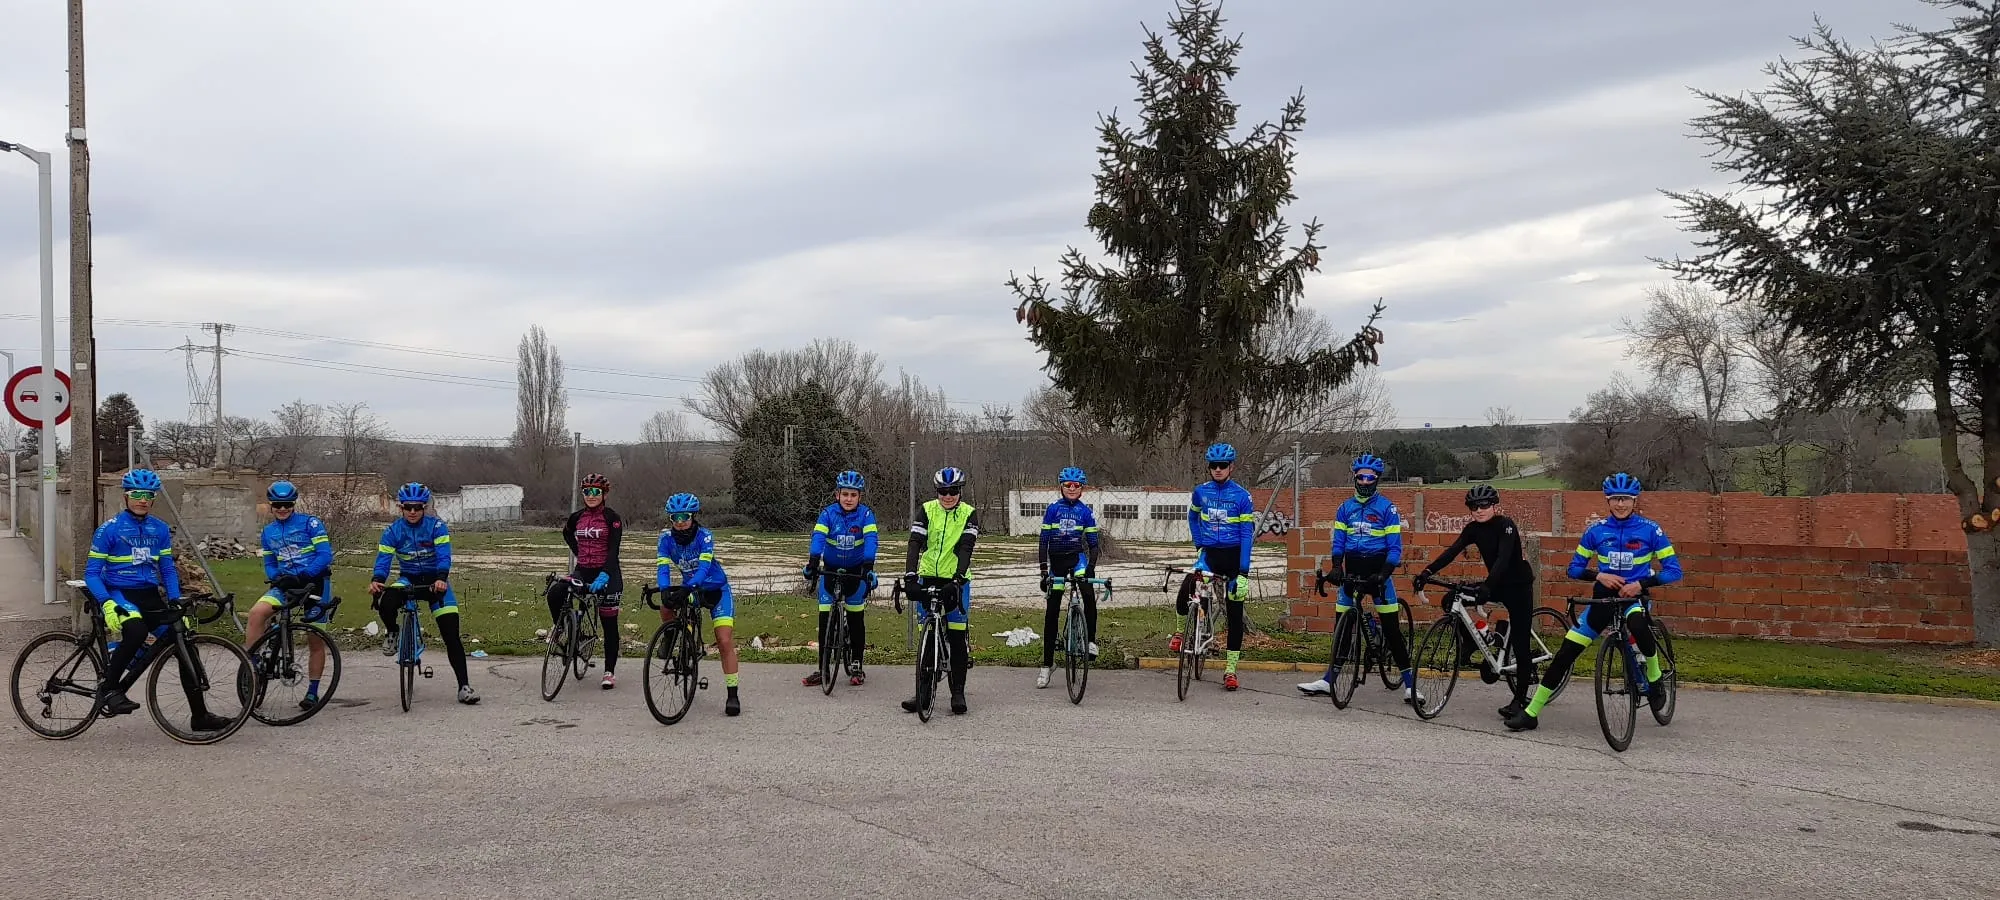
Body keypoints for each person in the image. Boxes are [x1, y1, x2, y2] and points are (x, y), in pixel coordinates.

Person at [1505, 472, 1681, 732]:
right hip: (1602, 600)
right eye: (1615, 499)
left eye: (1626, 499)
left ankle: (1654, 678)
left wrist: (1640, 584)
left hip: (1633, 598)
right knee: (1565, 654)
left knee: (1639, 625)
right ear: (1608, 501)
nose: (1620, 504)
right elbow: (1573, 569)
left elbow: (1674, 571)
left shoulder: (1650, 530)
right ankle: (1531, 713)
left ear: (1634, 501)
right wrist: (1599, 574)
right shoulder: (1596, 531)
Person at [86, 469, 233, 732]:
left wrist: (175, 600)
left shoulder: (160, 528)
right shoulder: (109, 530)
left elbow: (166, 569)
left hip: (150, 594)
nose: (143, 500)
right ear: (126, 496)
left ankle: (199, 716)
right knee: (136, 631)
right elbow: (92, 573)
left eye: (149, 495)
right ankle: (109, 690)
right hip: (119, 592)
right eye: (137, 494)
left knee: (185, 643)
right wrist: (106, 602)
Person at [1408, 483, 1538, 718]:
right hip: (1495, 584)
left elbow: (1504, 559)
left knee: (1520, 645)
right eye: (1473, 507)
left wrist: (1487, 586)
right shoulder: (1473, 529)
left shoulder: (1506, 526)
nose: (1479, 510)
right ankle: (1470, 642)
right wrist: (1427, 572)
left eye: (1484, 505)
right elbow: (1452, 551)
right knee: (1451, 599)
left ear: (1494, 506)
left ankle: (1519, 701)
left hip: (1518, 586)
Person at [1300, 453, 1420, 702]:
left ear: (1377, 480)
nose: (1365, 482)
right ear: (1354, 478)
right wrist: (1335, 567)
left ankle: (1410, 685)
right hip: (1352, 571)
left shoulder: (1388, 508)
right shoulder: (1345, 508)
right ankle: (1328, 680)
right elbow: (1339, 542)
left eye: (1370, 478)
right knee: (1341, 628)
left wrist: (1384, 574)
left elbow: (1395, 547)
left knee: (1393, 631)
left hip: (1379, 572)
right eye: (1360, 477)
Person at [369, 482, 479, 705]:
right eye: (408, 507)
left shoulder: (437, 526)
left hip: (435, 581)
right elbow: (383, 560)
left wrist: (441, 578)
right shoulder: (392, 531)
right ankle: (393, 631)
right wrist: (377, 581)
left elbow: (444, 555)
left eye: (418, 507)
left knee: (451, 634)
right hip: (407, 579)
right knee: (386, 601)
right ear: (401, 507)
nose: (412, 512)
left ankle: (464, 687)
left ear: (424, 507)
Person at [1171, 442, 1256, 691]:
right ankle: (1179, 633)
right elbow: (1192, 517)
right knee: (1186, 588)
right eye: (1213, 465)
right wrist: (1199, 545)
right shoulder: (1201, 492)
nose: (1217, 469)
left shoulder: (1242, 496)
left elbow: (1246, 535)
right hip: (1208, 554)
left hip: (1233, 557)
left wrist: (1243, 573)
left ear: (1231, 467)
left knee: (1234, 612)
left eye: (1222, 465)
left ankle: (1230, 670)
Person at [249, 480, 336, 709]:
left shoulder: (310, 523)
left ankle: (312, 692)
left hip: (315, 584)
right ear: (271, 505)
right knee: (257, 613)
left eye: (287, 504)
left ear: (294, 503)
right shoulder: (269, 532)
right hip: (286, 584)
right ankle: (251, 666)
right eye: (278, 505)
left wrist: (306, 574)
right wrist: (276, 575)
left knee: (315, 639)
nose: (282, 509)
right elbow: (269, 561)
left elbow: (325, 555)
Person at [901, 466, 979, 715]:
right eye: (943, 491)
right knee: (928, 634)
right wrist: (911, 575)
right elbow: (914, 544)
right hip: (928, 576)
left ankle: (958, 692)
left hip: (956, 579)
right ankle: (923, 692)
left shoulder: (969, 513)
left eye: (953, 491)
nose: (948, 496)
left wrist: (957, 581)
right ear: (937, 491)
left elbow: (966, 549)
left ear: (960, 491)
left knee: (956, 635)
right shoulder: (926, 510)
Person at [656, 492, 742, 716]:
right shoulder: (665, 539)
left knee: (723, 640)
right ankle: (675, 638)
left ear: (693, 516)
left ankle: (732, 694)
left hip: (715, 589)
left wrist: (688, 586)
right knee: (666, 606)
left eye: (684, 516)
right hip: (692, 588)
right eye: (675, 517)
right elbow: (663, 568)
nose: (680, 521)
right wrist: (665, 589)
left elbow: (704, 569)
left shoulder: (704, 536)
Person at [547, 473, 626, 689]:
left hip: (607, 572)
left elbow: (614, 550)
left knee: (608, 622)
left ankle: (609, 671)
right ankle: (564, 629)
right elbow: (567, 534)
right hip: (583, 570)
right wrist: (578, 552)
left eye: (596, 492)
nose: (591, 496)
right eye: (587, 492)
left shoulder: (612, 518)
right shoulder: (576, 517)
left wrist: (606, 573)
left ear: (604, 494)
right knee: (555, 593)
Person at [803, 470, 877, 687]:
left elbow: (871, 540)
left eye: (853, 495)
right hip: (831, 570)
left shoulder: (865, 515)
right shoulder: (827, 514)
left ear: (859, 497)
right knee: (824, 618)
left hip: (856, 571)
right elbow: (818, 537)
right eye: (845, 494)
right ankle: (822, 668)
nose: (848, 499)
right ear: (837, 495)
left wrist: (868, 567)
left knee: (856, 620)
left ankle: (856, 664)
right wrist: (813, 563)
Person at [1036, 466, 1101, 689]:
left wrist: (1091, 567)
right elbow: (1043, 541)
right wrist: (1044, 571)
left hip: (1077, 559)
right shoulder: (1053, 509)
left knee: (1088, 594)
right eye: (1068, 485)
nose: (1072, 489)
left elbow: (1093, 544)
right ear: (1061, 487)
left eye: (1076, 486)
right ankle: (1047, 664)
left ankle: (1091, 641)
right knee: (1052, 611)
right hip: (1056, 563)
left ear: (1082, 488)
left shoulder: (1085, 512)